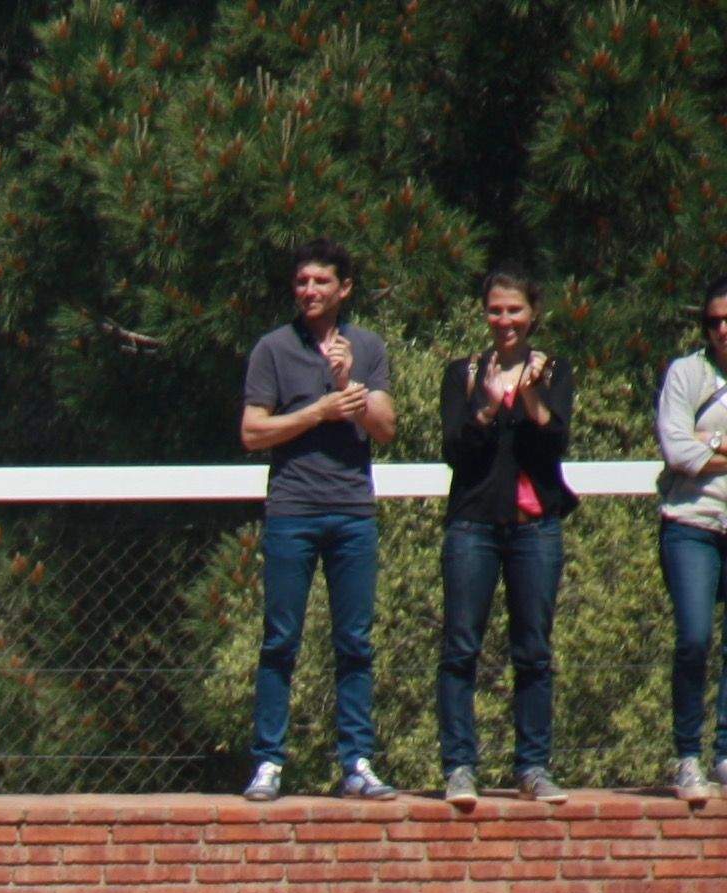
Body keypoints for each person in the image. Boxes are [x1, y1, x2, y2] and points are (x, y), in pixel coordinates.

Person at [240, 240, 402, 803]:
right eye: (302, 281)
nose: (310, 291)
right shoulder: (272, 349)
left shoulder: (367, 346)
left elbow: (385, 428)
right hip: (292, 511)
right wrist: (317, 412)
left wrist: (348, 383)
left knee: (354, 642)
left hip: (353, 512)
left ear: (344, 288)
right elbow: (252, 431)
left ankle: (356, 761)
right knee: (280, 640)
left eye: (321, 281)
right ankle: (268, 762)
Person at [436, 269, 574, 809]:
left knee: (534, 651)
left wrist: (531, 394)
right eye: (495, 310)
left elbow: (555, 441)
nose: (505, 320)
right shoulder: (464, 373)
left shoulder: (554, 370)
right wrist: (487, 407)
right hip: (473, 524)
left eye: (514, 309)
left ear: (532, 313)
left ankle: (532, 766)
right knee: (460, 649)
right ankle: (459, 767)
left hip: (535, 527)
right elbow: (455, 450)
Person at [657, 277, 727, 810]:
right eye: (713, 321)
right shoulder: (687, 373)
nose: (722, 330)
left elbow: (696, 450)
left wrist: (711, 445)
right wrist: (705, 446)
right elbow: (678, 452)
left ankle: (724, 751)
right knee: (695, 636)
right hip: (691, 523)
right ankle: (687, 754)